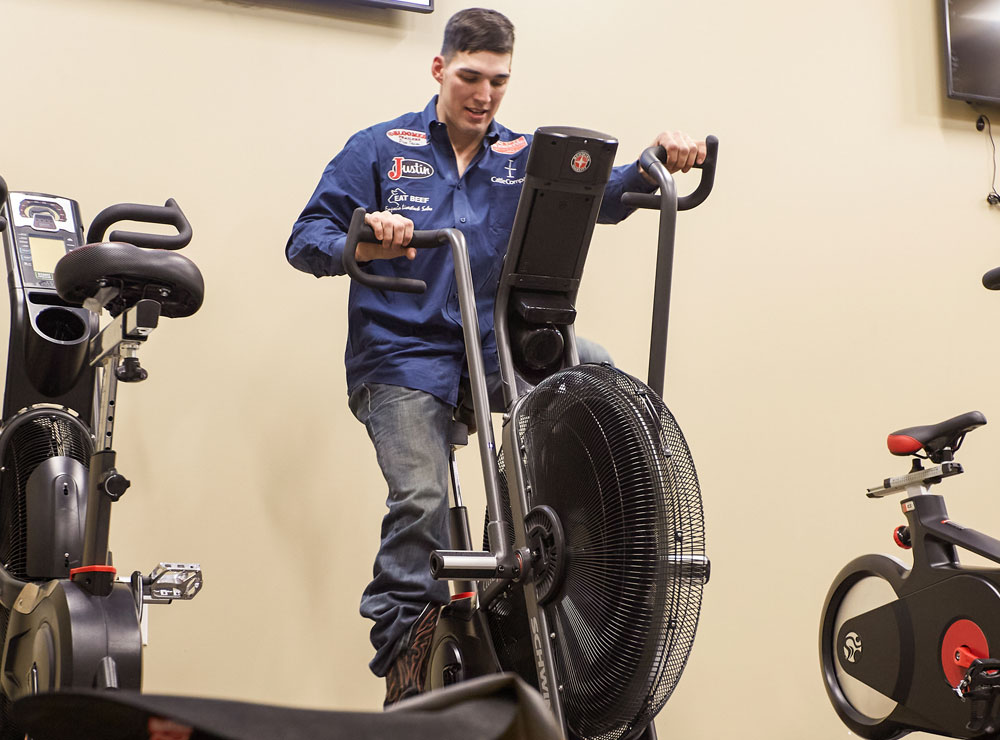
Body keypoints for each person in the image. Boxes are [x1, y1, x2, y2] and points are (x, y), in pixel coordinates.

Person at [285, 7, 706, 707]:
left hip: (492, 347)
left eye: (499, 82)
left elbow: (603, 192)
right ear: (439, 70)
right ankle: (404, 649)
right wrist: (363, 238)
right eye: (471, 77)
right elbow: (305, 237)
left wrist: (657, 161)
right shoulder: (380, 149)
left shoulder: (519, 158)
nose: (483, 95)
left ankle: (601, 548)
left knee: (601, 378)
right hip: (403, 353)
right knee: (420, 498)